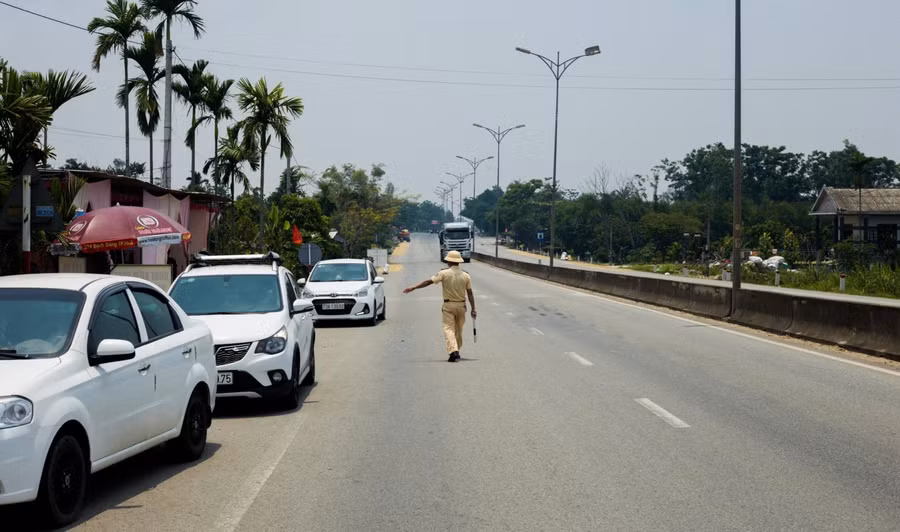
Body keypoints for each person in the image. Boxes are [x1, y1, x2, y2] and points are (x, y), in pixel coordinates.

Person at [403, 250, 476, 362]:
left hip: (448, 305)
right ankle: (456, 350)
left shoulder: (444, 273)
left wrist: (414, 287)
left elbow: (428, 282)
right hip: (462, 306)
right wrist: (473, 309)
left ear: (449, 262)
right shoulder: (466, 276)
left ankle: (453, 351)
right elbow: (470, 293)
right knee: (458, 330)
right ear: (458, 262)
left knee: (448, 329)